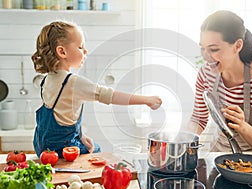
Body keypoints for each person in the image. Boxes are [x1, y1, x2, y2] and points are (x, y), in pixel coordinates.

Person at [32, 20, 162, 158]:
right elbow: (110, 96)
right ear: (62, 51)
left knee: (93, 146)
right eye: (81, 47)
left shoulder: (47, 79)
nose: (86, 51)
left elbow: (63, 114)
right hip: (62, 150)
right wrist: (146, 100)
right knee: (97, 152)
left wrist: (81, 135)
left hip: (42, 146)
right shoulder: (73, 82)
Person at [188, 10, 252, 154]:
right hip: (219, 154)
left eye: (213, 49)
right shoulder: (206, 73)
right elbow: (199, 118)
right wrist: (182, 141)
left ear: (237, 46)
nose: (206, 57)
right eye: (203, 48)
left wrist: (242, 126)